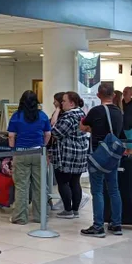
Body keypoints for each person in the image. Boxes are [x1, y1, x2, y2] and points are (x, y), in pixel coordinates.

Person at [80, 85, 125, 238]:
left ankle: (98, 226)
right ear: (113, 95)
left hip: (97, 155)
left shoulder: (96, 111)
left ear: (99, 95)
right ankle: (116, 224)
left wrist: (90, 129)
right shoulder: (119, 112)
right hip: (112, 155)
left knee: (97, 190)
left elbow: (82, 127)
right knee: (114, 189)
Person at [7, 90, 52, 225]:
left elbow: (11, 136)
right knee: (40, 186)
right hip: (38, 152)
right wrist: (43, 145)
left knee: (21, 186)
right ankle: (40, 216)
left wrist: (12, 151)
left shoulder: (16, 116)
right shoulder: (42, 115)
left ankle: (20, 217)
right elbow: (48, 134)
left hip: (21, 153)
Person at [51, 91, 87, 219]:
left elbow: (56, 132)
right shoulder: (81, 114)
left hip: (67, 154)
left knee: (63, 182)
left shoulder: (68, 117)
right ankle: (75, 210)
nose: (62, 103)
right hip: (80, 152)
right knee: (75, 182)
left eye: (64, 101)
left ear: (71, 103)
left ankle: (68, 210)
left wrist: (54, 119)